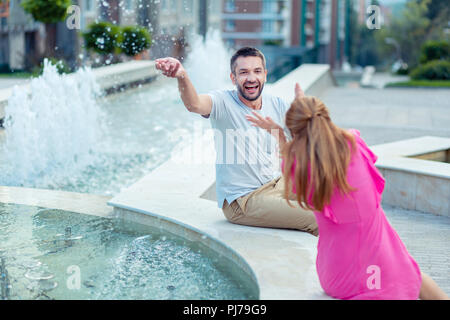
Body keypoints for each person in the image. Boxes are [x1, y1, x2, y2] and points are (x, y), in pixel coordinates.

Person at [248, 93, 449, 300]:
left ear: (296, 135)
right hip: (376, 264)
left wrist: (279, 134)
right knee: (410, 273)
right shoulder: (354, 143)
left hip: (338, 274)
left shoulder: (301, 169)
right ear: (325, 118)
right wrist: (306, 109)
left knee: (403, 271)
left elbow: (291, 159)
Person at [155, 47, 318, 236]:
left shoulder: (276, 104)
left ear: (265, 75)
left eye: (257, 71)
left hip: (276, 184)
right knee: (316, 218)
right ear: (233, 78)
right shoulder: (223, 102)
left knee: (332, 202)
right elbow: (195, 104)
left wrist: (304, 112)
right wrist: (182, 75)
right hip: (243, 200)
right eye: (243, 72)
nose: (251, 78)